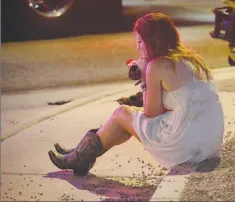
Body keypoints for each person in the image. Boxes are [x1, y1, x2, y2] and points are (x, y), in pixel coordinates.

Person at [48, 13, 225, 176]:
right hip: (209, 144)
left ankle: (81, 156)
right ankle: (80, 155)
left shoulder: (157, 66)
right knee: (127, 121)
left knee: (122, 113)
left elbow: (151, 115)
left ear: (153, 41)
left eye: (140, 42)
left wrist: (144, 78)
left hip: (185, 148)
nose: (136, 46)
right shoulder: (191, 60)